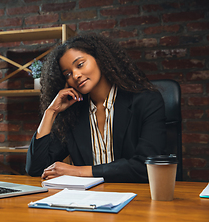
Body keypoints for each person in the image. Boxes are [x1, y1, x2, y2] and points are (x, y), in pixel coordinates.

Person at [25, 33, 166, 183]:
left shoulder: (146, 101)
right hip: (88, 200)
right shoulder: (73, 114)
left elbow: (146, 167)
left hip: (136, 197)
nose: (76, 75)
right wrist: (50, 112)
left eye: (80, 65)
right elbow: (36, 168)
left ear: (99, 59)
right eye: (68, 74)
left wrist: (79, 171)